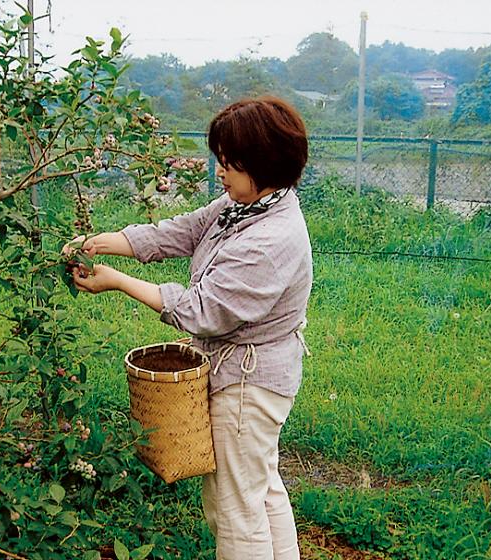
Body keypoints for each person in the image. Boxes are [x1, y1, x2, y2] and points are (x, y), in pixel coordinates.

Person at [66, 95, 312, 560]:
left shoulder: (269, 239)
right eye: (220, 160)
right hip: (248, 373)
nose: (220, 172)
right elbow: (178, 231)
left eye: (230, 163)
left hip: (248, 384)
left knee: (233, 507)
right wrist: (101, 243)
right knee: (260, 489)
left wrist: (118, 282)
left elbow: (203, 310)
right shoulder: (244, 206)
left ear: (264, 163)